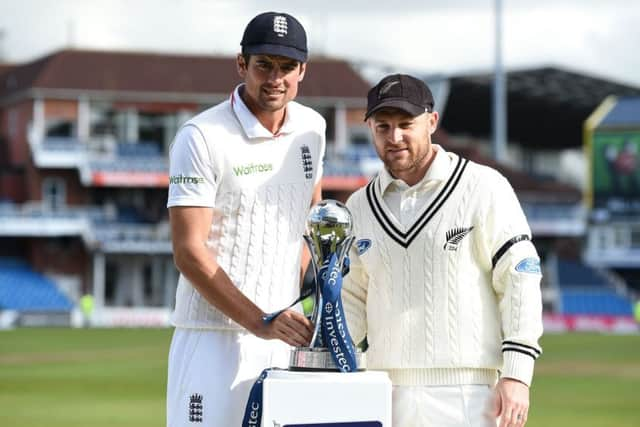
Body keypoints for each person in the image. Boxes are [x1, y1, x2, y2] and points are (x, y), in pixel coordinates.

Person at [342, 74, 544, 427]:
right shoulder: (359, 206)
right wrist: (339, 368)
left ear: (431, 122)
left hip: (468, 392)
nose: (395, 137)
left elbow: (520, 276)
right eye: (383, 126)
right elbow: (352, 298)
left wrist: (516, 375)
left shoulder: (483, 186)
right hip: (381, 389)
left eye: (406, 124)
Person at [165, 11, 325, 427]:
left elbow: (309, 212)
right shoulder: (201, 136)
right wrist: (261, 320)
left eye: (287, 67)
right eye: (264, 66)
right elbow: (188, 251)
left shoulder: (313, 129)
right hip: (210, 341)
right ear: (242, 64)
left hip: (282, 341)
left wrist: (292, 304)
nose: (276, 78)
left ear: (302, 70)